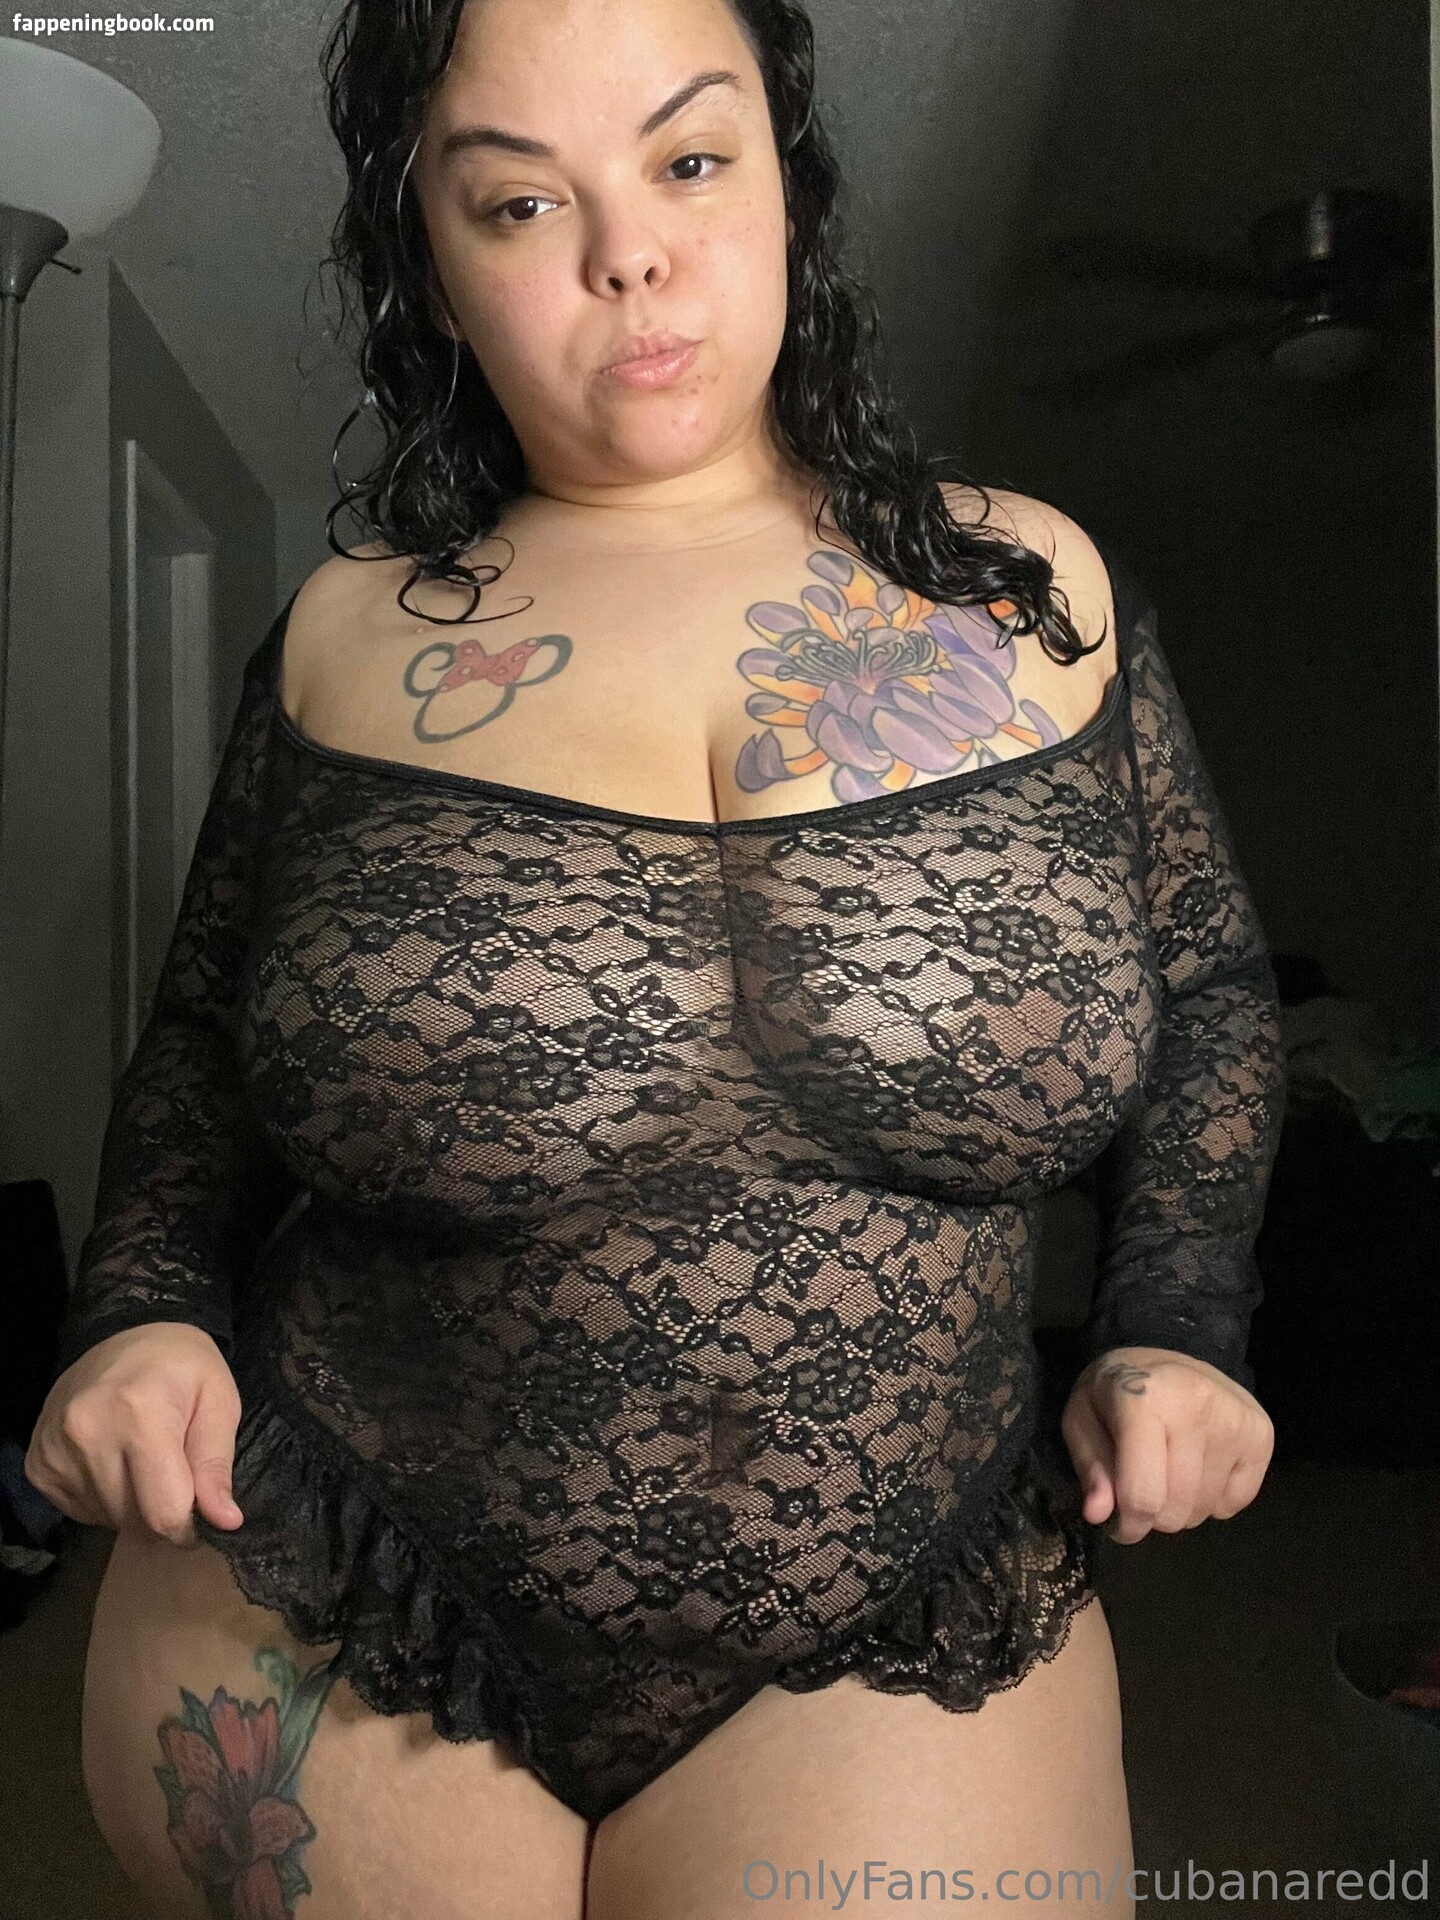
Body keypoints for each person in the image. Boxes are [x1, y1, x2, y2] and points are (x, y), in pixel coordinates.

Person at [25, 0, 1287, 1915]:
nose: (629, 252)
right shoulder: (345, 639)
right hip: (341, 1570)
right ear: (435, 268)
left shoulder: (1032, 593)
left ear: (789, 186)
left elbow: (1202, 991)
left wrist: (1174, 1320)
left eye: (689, 160)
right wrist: (138, 1313)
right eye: (520, 203)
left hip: (904, 1596)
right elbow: (206, 1033)